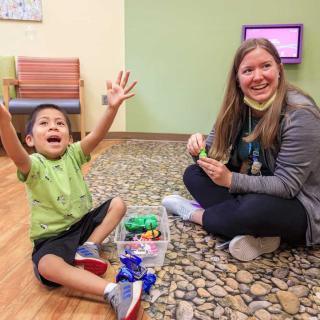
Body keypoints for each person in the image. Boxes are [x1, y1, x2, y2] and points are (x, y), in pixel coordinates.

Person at [0, 71, 142, 320]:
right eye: (44, 123)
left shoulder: (73, 154)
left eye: (60, 123)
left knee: (118, 204)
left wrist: (112, 109)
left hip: (82, 224)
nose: (53, 125)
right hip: (52, 237)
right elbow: (15, 153)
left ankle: (88, 248)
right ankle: (114, 291)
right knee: (45, 266)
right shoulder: (33, 165)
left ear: (69, 137)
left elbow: (96, 135)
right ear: (30, 139)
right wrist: (4, 123)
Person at [162, 38, 320, 261]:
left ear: (279, 70)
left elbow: (287, 186)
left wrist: (230, 180)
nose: (257, 77)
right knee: (194, 174)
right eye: (248, 70)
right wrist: (197, 149)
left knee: (252, 209)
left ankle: (194, 214)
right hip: (252, 189)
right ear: (237, 78)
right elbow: (211, 153)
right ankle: (260, 234)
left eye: (266, 66)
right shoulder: (237, 106)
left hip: (299, 203)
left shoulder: (301, 114)